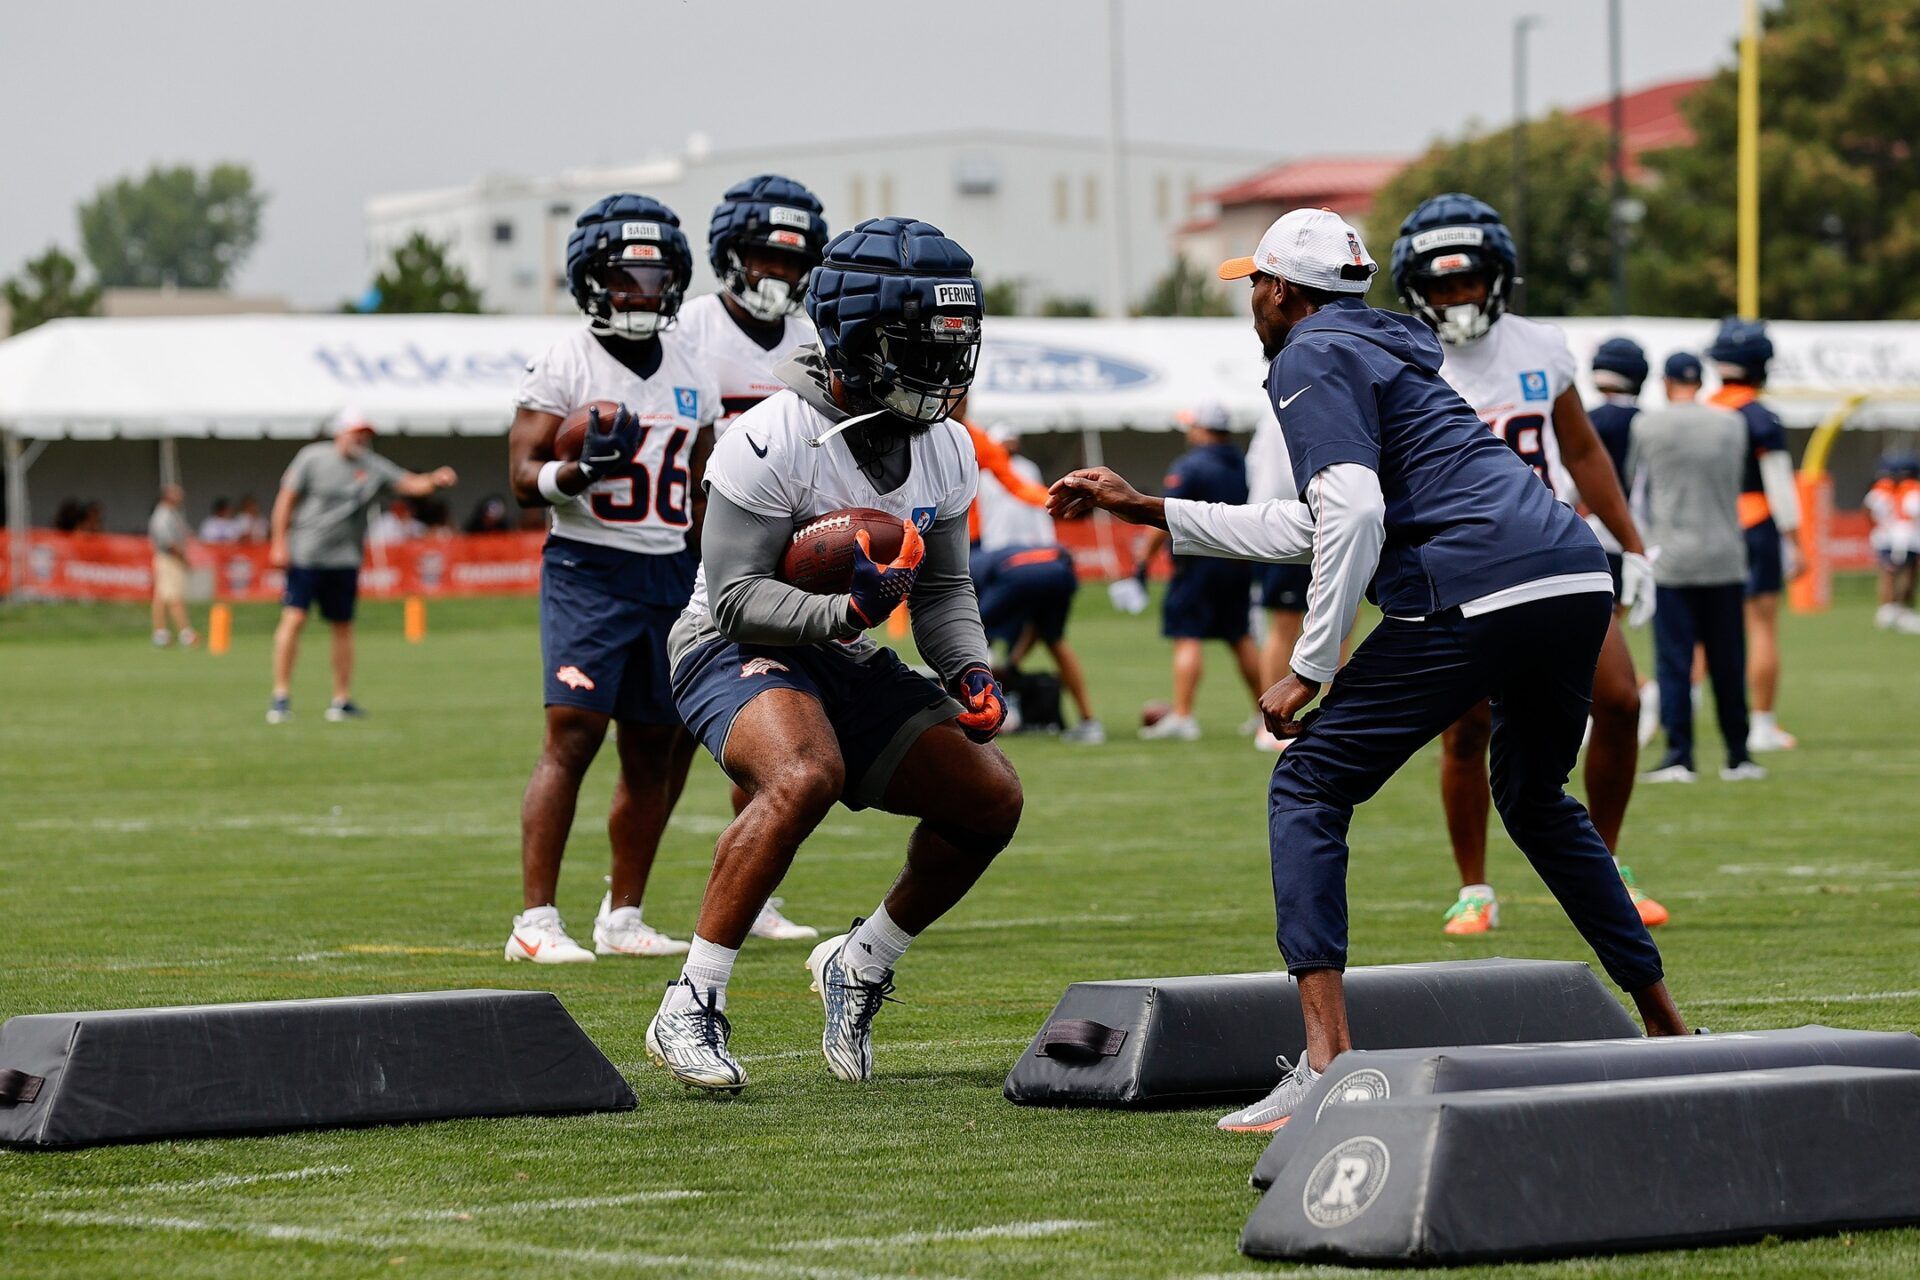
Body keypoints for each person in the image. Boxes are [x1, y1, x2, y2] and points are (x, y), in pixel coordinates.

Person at [1050, 207, 1686, 1133]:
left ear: (1283, 290)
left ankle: (1327, 1065)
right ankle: (1665, 1023)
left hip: (1473, 584)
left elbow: (1348, 513)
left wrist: (1311, 668)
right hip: (1570, 573)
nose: (1251, 302)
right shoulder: (1377, 349)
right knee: (1538, 799)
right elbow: (1313, 523)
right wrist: (1149, 507)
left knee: (1305, 783)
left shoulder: (1308, 356)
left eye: (1254, 285)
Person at [646, 217, 1020, 1093]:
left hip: (834, 647)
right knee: (804, 771)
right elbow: (736, 597)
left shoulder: (949, 445)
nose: (941, 366)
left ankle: (861, 960)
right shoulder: (770, 437)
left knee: (990, 800)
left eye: (952, 344)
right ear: (854, 336)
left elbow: (943, 589)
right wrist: (847, 608)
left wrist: (969, 668)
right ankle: (690, 999)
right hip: (728, 642)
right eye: (919, 346)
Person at [1390, 193, 1663, 935]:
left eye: (1466, 280)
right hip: (1460, 559)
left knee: (1623, 700)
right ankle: (1473, 886)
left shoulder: (1540, 347)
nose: (1454, 296)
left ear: (1498, 277)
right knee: (1467, 725)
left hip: (1553, 550)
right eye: (1439, 284)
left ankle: (1602, 864)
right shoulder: (1401, 353)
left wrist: (1631, 543)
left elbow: (1581, 449)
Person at [505, 193, 722, 964]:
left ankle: (623, 915)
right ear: (592, 279)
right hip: (588, 565)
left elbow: (700, 481)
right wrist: (575, 470)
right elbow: (522, 477)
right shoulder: (565, 358)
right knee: (573, 735)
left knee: (655, 751)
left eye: (654, 276)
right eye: (624, 275)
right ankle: (535, 921)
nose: (641, 290)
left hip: (669, 568)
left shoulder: (693, 367)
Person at [674, 174, 833, 942]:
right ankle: (621, 903)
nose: (782, 272)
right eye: (766, 256)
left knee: (777, 733)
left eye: (794, 259)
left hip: (787, 560)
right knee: (661, 739)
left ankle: (754, 888)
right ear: (731, 255)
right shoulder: (691, 330)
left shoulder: (815, 335)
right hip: (693, 547)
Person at [267, 408, 458, 724]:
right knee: (294, 619)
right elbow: (285, 501)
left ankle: (340, 699)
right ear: (340, 432)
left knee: (343, 626)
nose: (361, 439)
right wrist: (278, 542)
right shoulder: (312, 458)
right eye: (356, 432)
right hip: (307, 554)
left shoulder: (372, 466)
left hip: (344, 558)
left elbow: (410, 484)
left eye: (366, 434)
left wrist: (435, 481)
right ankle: (281, 696)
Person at [1633, 352, 1765, 784]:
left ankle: (1680, 755)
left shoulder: (1648, 425)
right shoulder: (1731, 423)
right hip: (1725, 555)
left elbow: (1638, 489)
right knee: (1729, 661)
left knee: (1674, 661)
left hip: (1672, 558)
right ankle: (1738, 754)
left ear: (1667, 382)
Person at [1131, 404, 1264, 741]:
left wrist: (1143, 558)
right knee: (1240, 636)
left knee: (1187, 634)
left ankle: (1184, 715)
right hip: (1239, 561)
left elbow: (1165, 515)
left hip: (1199, 564)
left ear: (1204, 429)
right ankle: (1264, 715)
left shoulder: (1190, 466)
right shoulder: (1244, 464)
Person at [1706, 318, 1804, 753]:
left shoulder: (1702, 410)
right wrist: (1796, 541)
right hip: (1754, 522)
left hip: (1704, 526)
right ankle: (1761, 724)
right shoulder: (1761, 417)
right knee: (1761, 627)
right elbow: (1779, 486)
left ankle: (1678, 718)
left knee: (1694, 627)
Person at [972, 423, 1103, 743]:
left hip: (1008, 563)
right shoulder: (1025, 470)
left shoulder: (982, 472)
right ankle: (1089, 721)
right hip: (1052, 560)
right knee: (1053, 638)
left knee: (974, 637)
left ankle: (983, 713)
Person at [1867, 453, 1920, 631]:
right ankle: (1901, 611)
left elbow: (1868, 509)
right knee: (1906, 574)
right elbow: (1913, 511)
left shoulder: (1880, 488)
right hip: (1908, 537)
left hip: (1885, 535)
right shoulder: (1912, 488)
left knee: (1888, 573)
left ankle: (1887, 610)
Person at [148, 484, 197, 648]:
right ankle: (186, 634)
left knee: (161, 596)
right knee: (174, 595)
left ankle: (160, 633)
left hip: (172, 559)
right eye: (176, 492)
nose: (181, 494)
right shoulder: (163, 515)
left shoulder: (173, 513)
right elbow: (168, 542)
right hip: (168, 559)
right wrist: (183, 557)